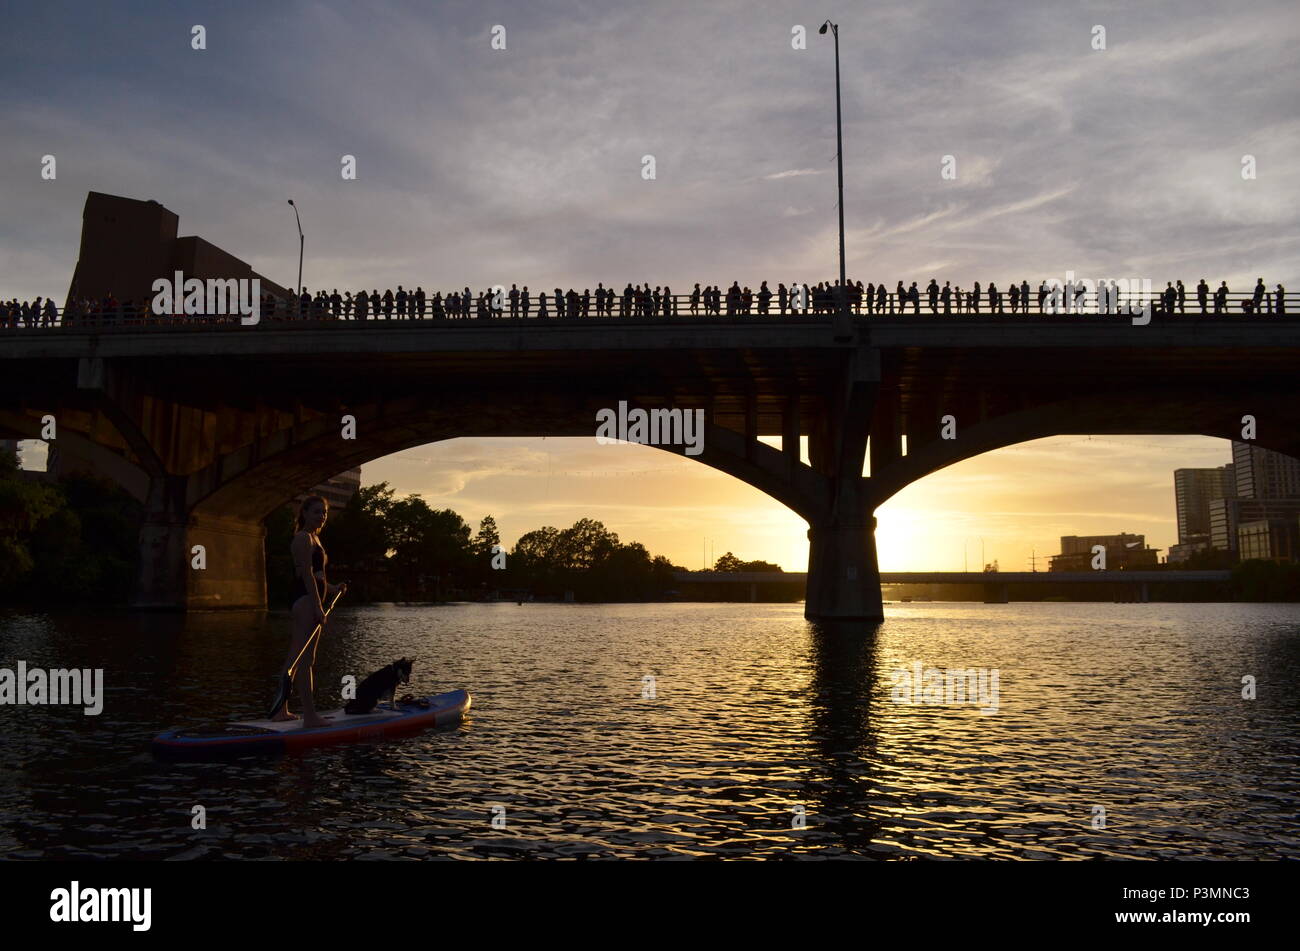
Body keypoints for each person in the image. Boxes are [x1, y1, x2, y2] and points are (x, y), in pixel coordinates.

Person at [272, 495, 344, 729]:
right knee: (306, 660)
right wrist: (318, 606)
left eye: (323, 512)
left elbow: (319, 576)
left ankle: (280, 711)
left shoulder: (316, 538)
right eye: (316, 512)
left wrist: (333, 589)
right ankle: (310, 717)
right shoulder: (302, 538)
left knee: (296, 657)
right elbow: (306, 576)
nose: (322, 516)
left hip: (311, 599)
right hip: (305, 601)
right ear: (304, 513)